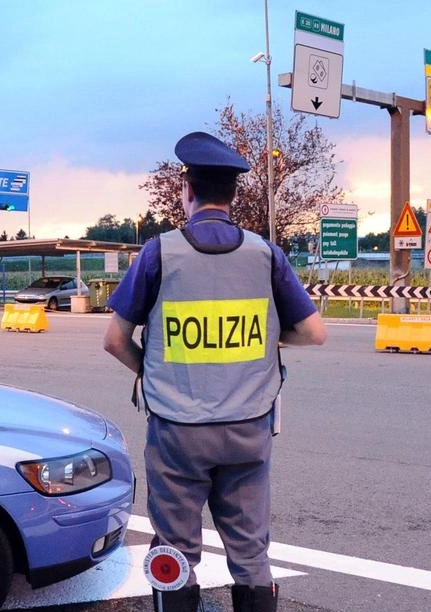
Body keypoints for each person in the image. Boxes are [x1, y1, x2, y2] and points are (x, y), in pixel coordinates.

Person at [103, 131, 326, 612]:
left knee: (175, 553)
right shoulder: (266, 255)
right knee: (250, 553)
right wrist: (266, 338)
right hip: (248, 426)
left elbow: (115, 340)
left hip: (177, 433)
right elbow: (314, 333)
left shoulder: (159, 253)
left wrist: (153, 372)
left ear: (187, 191)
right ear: (233, 196)